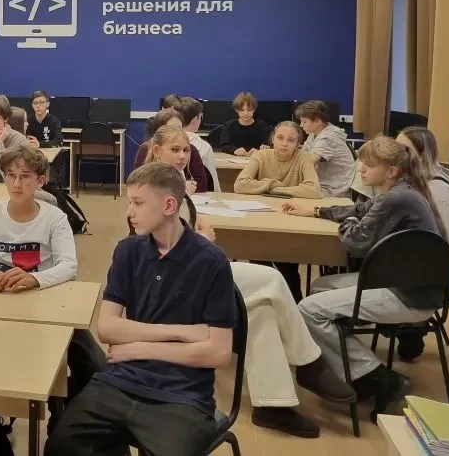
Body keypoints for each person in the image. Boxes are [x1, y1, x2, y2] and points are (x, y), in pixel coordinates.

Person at [146, 137, 355, 437]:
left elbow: (180, 225)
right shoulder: (151, 187)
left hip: (196, 269)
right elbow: (159, 247)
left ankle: (272, 406)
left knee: (260, 311)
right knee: (271, 279)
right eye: (174, 150)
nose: (182, 156)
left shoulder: (175, 182)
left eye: (185, 150)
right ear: (156, 150)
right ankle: (310, 362)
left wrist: (197, 224)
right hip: (179, 280)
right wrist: (203, 239)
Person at [45, 163, 236, 456]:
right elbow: (107, 328)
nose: (129, 211)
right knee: (62, 446)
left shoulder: (212, 262)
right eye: (129, 202)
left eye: (138, 203)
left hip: (182, 394)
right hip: (120, 381)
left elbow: (218, 353)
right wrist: (184, 333)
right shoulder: (128, 250)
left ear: (169, 205)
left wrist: (137, 349)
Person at [283, 136, 447, 417]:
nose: (360, 169)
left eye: (369, 165)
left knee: (308, 310)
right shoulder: (401, 191)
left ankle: (380, 379)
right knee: (321, 287)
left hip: (411, 295)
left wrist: (349, 222)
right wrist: (318, 210)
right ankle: (346, 369)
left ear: (391, 171)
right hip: (403, 282)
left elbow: (356, 241)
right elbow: (361, 210)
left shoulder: (397, 198)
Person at [0, 145, 105, 412]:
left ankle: (66, 410)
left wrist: (35, 279)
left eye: (25, 176)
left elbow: (68, 266)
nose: (16, 183)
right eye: (11, 175)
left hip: (44, 305)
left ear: (40, 181)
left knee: (96, 365)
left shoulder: (54, 218)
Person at [394, 126, 449, 361]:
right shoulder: (411, 180)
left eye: (404, 149)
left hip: (431, 270)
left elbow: (437, 242)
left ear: (423, 154)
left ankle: (412, 327)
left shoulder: (437, 188)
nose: (397, 153)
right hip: (417, 258)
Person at [234, 121, 321, 302]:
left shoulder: (304, 158)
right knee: (259, 269)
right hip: (260, 221)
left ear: (298, 143)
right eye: (280, 138)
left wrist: (275, 189)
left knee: (288, 270)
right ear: (272, 138)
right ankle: (261, 304)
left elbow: (313, 190)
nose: (284, 143)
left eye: (291, 140)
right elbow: (240, 184)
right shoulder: (261, 156)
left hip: (290, 222)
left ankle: (294, 306)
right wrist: (272, 184)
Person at [133, 109, 208, 193]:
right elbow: (135, 184)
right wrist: (177, 186)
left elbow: (201, 185)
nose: (182, 155)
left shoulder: (190, 149)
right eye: (174, 149)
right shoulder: (146, 148)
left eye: (180, 128)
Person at [297, 100, 356, 198]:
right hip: (326, 184)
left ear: (317, 121)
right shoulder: (313, 134)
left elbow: (310, 162)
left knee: (295, 194)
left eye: (304, 122)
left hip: (336, 188)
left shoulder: (328, 138)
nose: (301, 125)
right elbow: (303, 155)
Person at [177, 97, 220, 192]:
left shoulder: (166, 141)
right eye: (200, 117)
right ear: (195, 120)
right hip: (198, 194)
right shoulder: (204, 147)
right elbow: (212, 180)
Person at [219, 91, 271, 156]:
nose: (245, 113)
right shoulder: (228, 126)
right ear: (236, 109)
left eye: (249, 110)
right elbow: (224, 146)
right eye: (242, 110)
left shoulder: (263, 126)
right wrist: (234, 150)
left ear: (254, 110)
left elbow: (268, 145)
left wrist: (259, 150)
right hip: (234, 160)